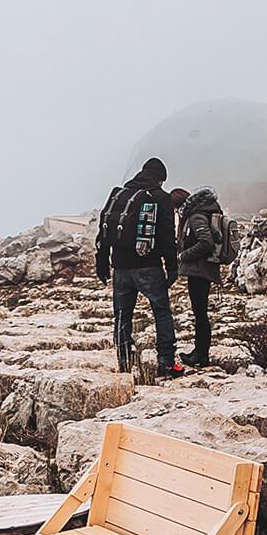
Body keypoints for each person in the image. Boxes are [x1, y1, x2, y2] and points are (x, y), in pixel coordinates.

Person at [96, 157, 182, 379]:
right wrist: (172, 267)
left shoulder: (119, 195)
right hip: (148, 266)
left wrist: (102, 261)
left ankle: (123, 360)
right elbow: (166, 235)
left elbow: (104, 228)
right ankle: (166, 362)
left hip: (120, 267)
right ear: (160, 179)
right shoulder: (161, 198)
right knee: (161, 311)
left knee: (122, 315)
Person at [174, 186, 225, 368]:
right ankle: (199, 352)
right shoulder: (199, 213)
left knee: (201, 313)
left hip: (200, 271)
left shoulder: (195, 217)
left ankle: (201, 354)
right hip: (201, 270)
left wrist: (183, 256)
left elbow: (206, 242)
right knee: (200, 312)